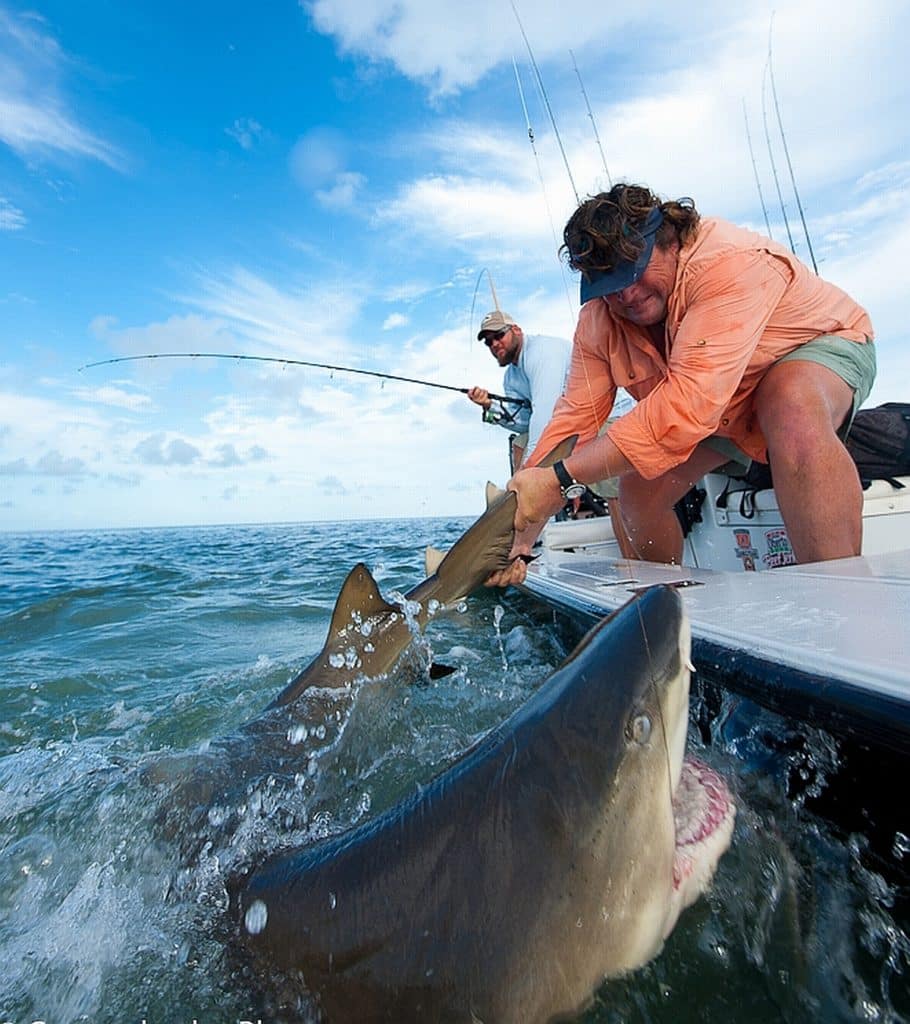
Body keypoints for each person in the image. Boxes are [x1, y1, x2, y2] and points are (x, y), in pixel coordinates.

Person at [487, 182, 876, 587]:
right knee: (637, 489)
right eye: (610, 285)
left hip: (812, 347)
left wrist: (561, 480)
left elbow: (687, 406)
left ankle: (842, 599)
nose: (628, 294)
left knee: (790, 405)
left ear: (668, 240)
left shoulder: (726, 262)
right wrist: (521, 531)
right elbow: (573, 423)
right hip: (728, 407)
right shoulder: (596, 322)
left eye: (634, 271)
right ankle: (673, 606)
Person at [468, 311, 571, 472]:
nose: (494, 344)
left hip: (607, 415)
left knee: (537, 455)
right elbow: (524, 425)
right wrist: (489, 405)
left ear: (516, 330)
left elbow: (546, 415)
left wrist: (528, 471)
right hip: (569, 424)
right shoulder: (510, 378)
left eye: (499, 335)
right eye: (488, 342)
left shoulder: (541, 352)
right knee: (520, 442)